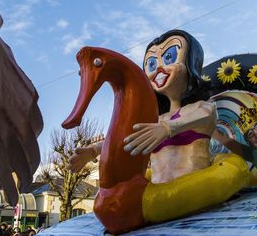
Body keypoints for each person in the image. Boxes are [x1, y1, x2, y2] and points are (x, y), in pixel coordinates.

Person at [70, 29, 215, 183]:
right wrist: (94, 151)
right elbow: (127, 139)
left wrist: (167, 129)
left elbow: (205, 115)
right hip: (161, 194)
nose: (159, 69)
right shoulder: (155, 120)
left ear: (192, 63)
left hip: (196, 186)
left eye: (168, 57)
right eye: (152, 64)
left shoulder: (200, 107)